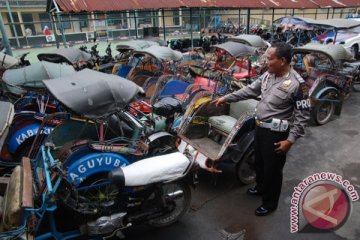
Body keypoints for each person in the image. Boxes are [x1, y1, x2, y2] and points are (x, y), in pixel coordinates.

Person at [212, 42, 310, 216]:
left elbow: (303, 116)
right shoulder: (268, 75)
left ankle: (270, 203)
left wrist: (290, 140)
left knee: (273, 170)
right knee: (260, 163)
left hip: (277, 134)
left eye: (269, 59)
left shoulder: (298, 85)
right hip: (259, 128)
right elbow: (249, 90)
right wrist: (227, 98)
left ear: (282, 60)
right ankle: (260, 187)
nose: (266, 62)